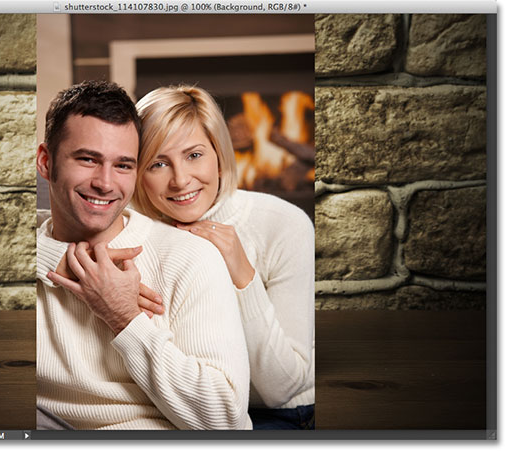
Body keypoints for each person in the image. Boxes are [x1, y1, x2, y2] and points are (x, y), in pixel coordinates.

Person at [35, 80, 251, 430]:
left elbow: (224, 420)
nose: (105, 183)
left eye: (123, 165)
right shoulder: (20, 250)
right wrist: (55, 259)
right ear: (46, 162)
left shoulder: (191, 258)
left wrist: (124, 317)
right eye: (88, 160)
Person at [131, 85, 315, 429]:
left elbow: (282, 389)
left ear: (219, 156)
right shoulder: (133, 231)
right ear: (140, 175)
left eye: (194, 155)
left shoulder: (284, 224)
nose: (181, 180)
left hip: (273, 413)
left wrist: (243, 275)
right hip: (179, 411)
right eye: (158, 163)